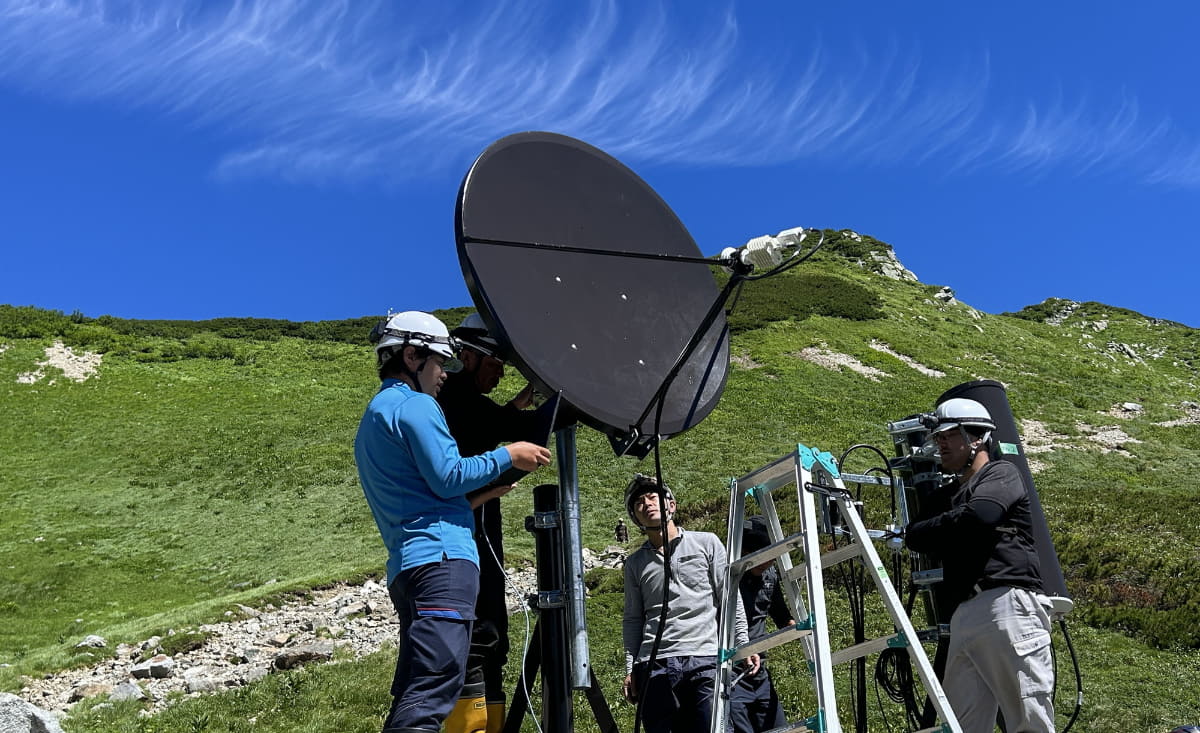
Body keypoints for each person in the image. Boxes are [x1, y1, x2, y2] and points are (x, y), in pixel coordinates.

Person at [354, 310, 552, 733]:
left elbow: (420, 494)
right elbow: (448, 476)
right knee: (435, 687)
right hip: (442, 562)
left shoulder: (376, 414)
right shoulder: (417, 405)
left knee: (416, 687)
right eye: (440, 363)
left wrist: (479, 497)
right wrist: (508, 455)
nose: (445, 373)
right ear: (412, 356)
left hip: (408, 565)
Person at [435, 312, 564, 733]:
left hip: (478, 527)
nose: (500, 374)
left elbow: (495, 421)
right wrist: (561, 398)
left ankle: (486, 721)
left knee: (491, 632)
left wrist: (525, 400)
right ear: (468, 357)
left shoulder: (463, 402)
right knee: (478, 635)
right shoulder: (453, 400)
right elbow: (501, 425)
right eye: (495, 364)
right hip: (461, 534)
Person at [903, 398, 1055, 733]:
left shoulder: (1002, 473)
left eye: (949, 435)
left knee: (1029, 721)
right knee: (961, 725)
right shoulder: (946, 496)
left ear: (977, 438)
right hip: (964, 613)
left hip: (1007, 605)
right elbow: (915, 536)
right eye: (938, 437)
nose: (940, 444)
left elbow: (983, 514)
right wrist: (960, 519)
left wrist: (951, 523)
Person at [621, 474, 759, 733]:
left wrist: (742, 642)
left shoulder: (706, 543)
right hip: (654, 664)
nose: (647, 504)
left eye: (652, 497)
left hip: (704, 657)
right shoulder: (634, 564)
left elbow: (729, 597)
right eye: (639, 503)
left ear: (671, 505)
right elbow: (633, 619)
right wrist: (631, 669)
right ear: (636, 518)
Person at [729, 516, 794, 733]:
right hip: (731, 673)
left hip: (760, 672)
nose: (767, 563)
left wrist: (795, 624)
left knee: (778, 728)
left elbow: (779, 611)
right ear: (744, 553)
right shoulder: (728, 579)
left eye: (771, 558)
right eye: (760, 557)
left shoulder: (770, 575)